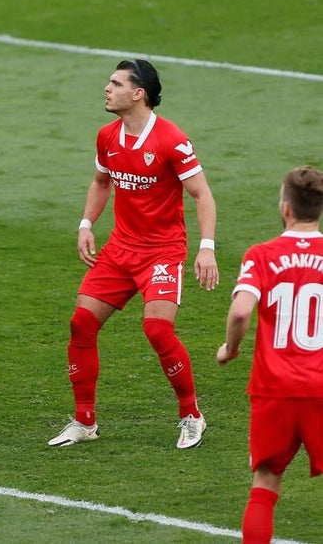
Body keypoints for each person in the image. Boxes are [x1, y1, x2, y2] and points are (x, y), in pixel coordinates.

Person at [48, 59, 219, 450]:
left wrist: (205, 249)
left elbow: (201, 194)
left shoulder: (171, 140)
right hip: (121, 249)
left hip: (161, 252)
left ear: (138, 93)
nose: (107, 88)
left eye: (115, 83)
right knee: (81, 324)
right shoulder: (107, 136)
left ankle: (191, 415)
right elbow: (100, 182)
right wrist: (86, 224)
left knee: (158, 329)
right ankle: (84, 421)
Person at [217, 165, 323, 544]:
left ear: (286, 209)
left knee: (265, 484)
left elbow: (242, 311)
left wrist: (231, 349)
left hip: (274, 390)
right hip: (321, 388)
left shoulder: (261, 255)